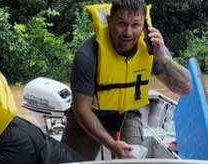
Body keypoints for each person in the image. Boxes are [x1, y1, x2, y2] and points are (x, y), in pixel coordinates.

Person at [61, 0, 192, 161]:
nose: (128, 33)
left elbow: (186, 89)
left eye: (136, 25)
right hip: (89, 114)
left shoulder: (152, 50)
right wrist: (111, 144)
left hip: (126, 114)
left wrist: (164, 58)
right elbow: (82, 109)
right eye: (122, 24)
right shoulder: (87, 55)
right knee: (70, 161)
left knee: (132, 159)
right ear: (109, 21)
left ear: (144, 25)